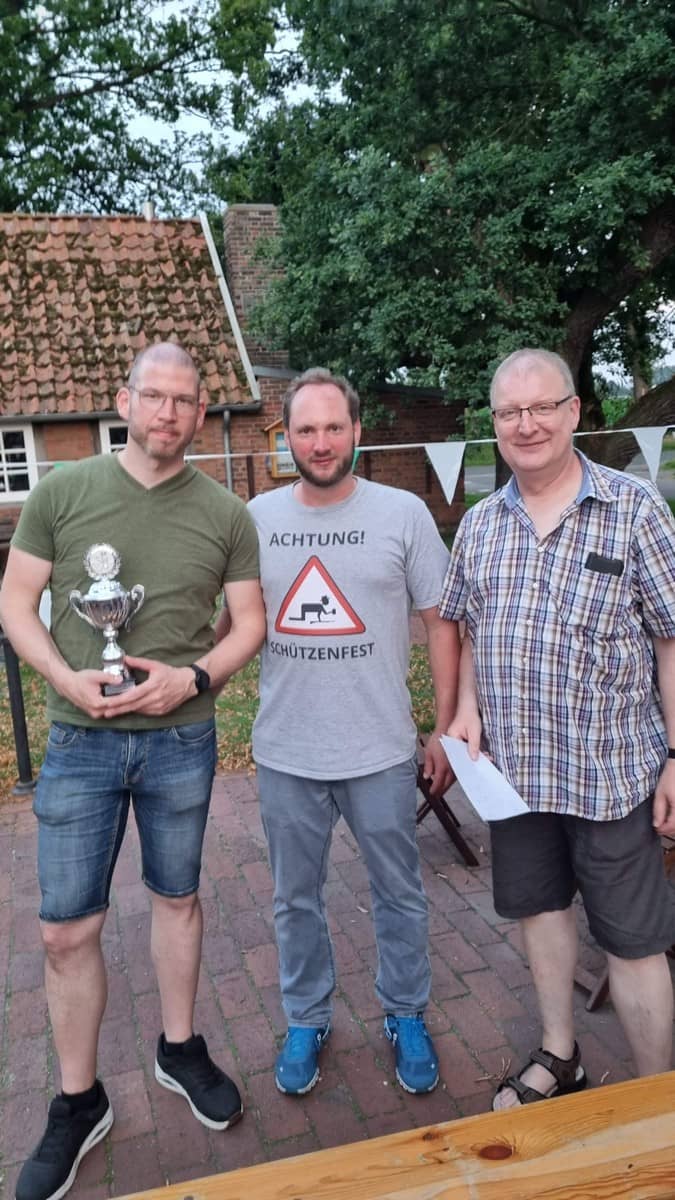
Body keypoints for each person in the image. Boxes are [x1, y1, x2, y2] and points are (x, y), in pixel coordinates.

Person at [0, 343, 266, 1200]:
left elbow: (248, 624)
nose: (168, 413)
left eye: (184, 401)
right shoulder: (62, 492)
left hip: (181, 740)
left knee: (177, 899)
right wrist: (64, 676)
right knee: (64, 930)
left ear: (199, 413)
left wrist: (194, 678)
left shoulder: (226, 512)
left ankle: (178, 1050)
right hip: (80, 742)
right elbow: (15, 603)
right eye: (154, 396)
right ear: (125, 401)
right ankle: (79, 1101)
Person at [440, 347, 675, 1110]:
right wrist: (465, 706)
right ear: (494, 423)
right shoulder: (479, 524)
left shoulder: (633, 509)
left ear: (573, 412)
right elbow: (468, 626)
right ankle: (558, 1053)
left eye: (542, 407)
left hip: (613, 774)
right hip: (515, 774)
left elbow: (670, 639)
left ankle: (655, 1099)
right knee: (538, 911)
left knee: (633, 940)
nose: (526, 424)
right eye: (509, 412)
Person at [242, 366, 459, 1096]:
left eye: (334, 427)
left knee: (399, 892)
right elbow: (232, 621)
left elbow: (440, 622)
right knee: (293, 899)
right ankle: (307, 1017)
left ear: (357, 431)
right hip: (287, 751)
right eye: (306, 429)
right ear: (286, 437)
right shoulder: (256, 519)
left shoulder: (403, 513)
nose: (321, 441)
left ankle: (405, 1012)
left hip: (380, 749)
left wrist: (443, 727)